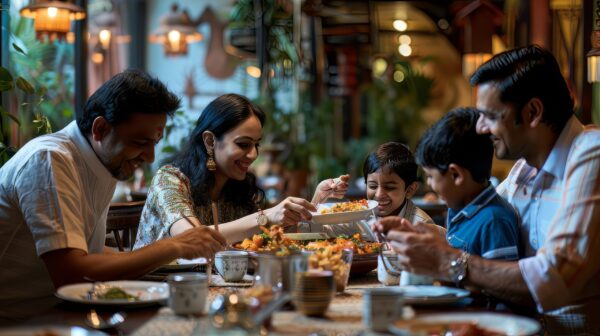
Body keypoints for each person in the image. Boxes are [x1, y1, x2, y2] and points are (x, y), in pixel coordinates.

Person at [375, 45, 600, 334]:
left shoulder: (591, 154)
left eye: (490, 116)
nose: (480, 128)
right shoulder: (525, 168)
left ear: (532, 112)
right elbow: (479, 222)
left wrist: (446, 261)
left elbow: (552, 280)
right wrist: (420, 236)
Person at [0, 70, 226, 323]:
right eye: (141, 141)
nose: (150, 156)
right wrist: (175, 245)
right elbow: (71, 274)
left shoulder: (100, 160)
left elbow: (89, 253)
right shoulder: (50, 159)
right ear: (100, 128)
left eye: (155, 142)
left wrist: (169, 253)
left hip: (65, 313)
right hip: (20, 322)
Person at [134, 93, 348, 248]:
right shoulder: (169, 180)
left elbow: (269, 240)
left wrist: (318, 202)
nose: (254, 154)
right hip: (159, 293)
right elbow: (192, 237)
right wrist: (264, 217)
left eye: (257, 145)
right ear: (210, 141)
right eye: (243, 144)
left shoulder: (237, 188)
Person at [415, 107, 520, 261]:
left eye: (430, 176)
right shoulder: (458, 208)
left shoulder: (494, 222)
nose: (429, 184)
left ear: (456, 175)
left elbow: (499, 282)